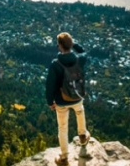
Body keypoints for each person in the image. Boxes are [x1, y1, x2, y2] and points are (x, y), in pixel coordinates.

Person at [46, 32, 89, 166]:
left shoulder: (56, 64)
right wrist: (74, 44)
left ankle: (64, 158)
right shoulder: (79, 60)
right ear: (70, 45)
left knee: (63, 128)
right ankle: (82, 135)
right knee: (80, 111)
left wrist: (50, 101)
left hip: (61, 101)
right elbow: (84, 52)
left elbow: (50, 85)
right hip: (77, 96)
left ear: (59, 46)